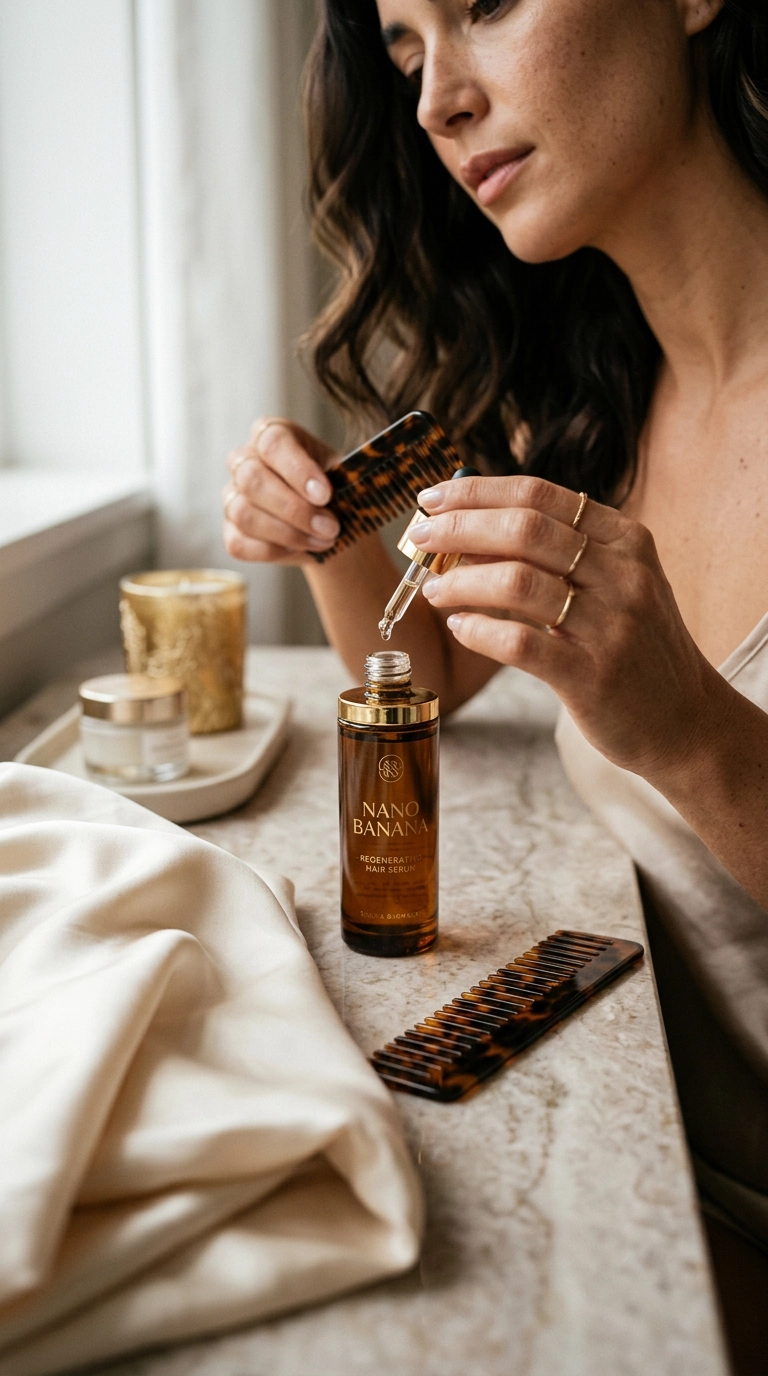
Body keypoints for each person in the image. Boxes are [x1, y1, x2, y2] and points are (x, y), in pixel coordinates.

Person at [222, 1, 768, 1365]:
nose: (434, 102)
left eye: (484, 7)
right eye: (405, 54)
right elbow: (431, 677)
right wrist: (327, 532)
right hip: (659, 1156)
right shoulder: (601, 389)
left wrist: (690, 729)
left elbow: (668, 726)